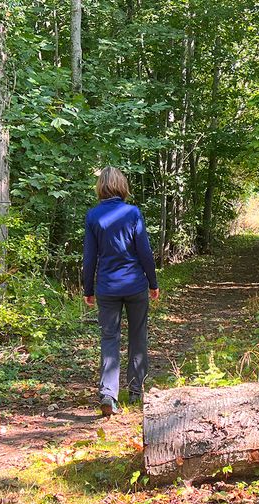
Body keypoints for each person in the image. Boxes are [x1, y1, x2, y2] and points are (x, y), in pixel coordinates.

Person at [81, 166, 159, 416]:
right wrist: (153, 282)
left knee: (109, 338)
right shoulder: (132, 213)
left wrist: (88, 288)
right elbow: (144, 252)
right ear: (122, 186)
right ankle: (136, 390)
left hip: (107, 287)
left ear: (101, 187)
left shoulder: (93, 216)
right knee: (138, 335)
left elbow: (89, 257)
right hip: (135, 285)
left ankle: (108, 394)